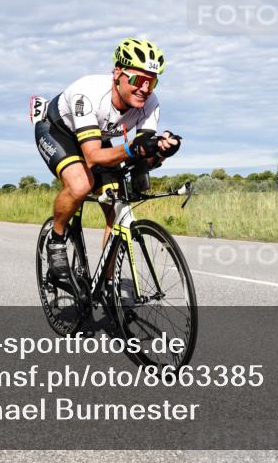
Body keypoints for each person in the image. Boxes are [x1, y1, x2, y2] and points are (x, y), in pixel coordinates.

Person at [32, 38, 181, 282]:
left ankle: (108, 286)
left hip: (97, 136)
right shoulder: (88, 92)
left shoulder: (150, 103)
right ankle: (57, 240)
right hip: (58, 131)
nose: (145, 89)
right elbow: (92, 156)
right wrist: (134, 148)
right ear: (118, 73)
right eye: (139, 80)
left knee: (117, 208)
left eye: (151, 82)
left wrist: (160, 151)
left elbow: (141, 156)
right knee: (81, 185)